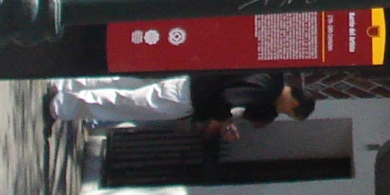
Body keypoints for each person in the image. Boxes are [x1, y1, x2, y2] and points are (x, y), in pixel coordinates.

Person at [48, 70, 314, 131]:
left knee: (127, 86)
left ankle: (67, 84)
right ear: (293, 104)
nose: (283, 114)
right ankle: (65, 104)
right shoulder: (265, 92)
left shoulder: (270, 73)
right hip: (189, 98)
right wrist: (221, 120)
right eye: (290, 114)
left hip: (190, 80)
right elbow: (226, 98)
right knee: (128, 102)